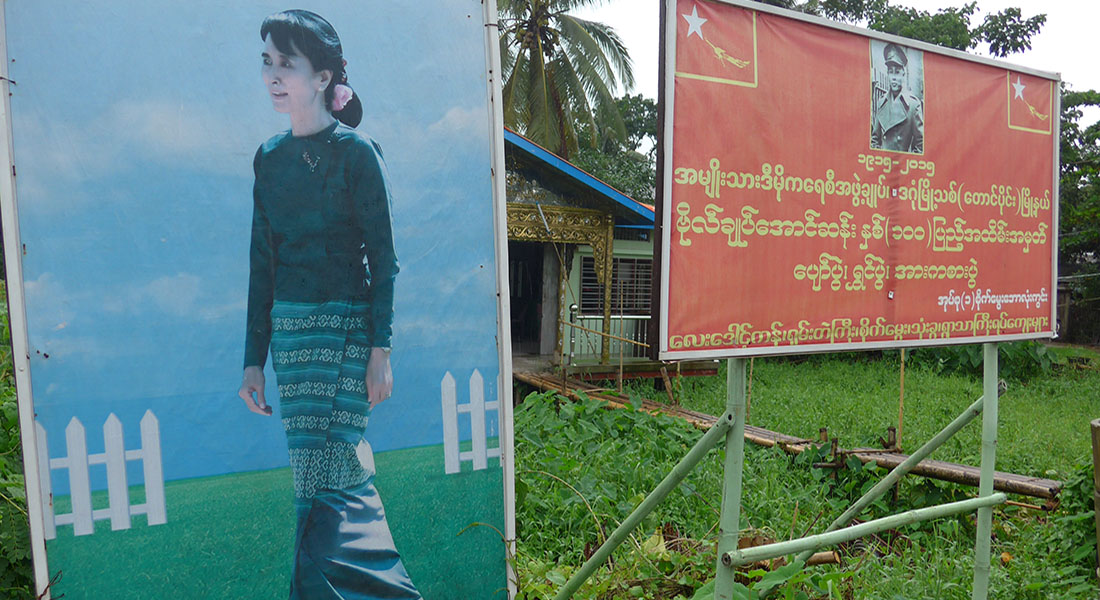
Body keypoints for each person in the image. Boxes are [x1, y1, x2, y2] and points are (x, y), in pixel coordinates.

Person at [237, 9, 420, 599]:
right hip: (292, 341)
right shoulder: (268, 158)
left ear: (323, 77)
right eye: (267, 61)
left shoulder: (358, 154)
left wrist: (380, 350)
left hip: (346, 334)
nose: (272, 75)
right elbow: (262, 264)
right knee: (307, 481)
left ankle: (385, 591)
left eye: (285, 64)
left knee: (338, 472)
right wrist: (252, 360)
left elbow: (384, 259)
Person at [871, 42, 924, 153]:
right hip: (882, 166)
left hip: (902, 166)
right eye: (891, 72)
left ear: (903, 74)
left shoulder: (913, 105)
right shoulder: (881, 102)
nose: (894, 77)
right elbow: (875, 140)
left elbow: (920, 144)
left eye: (897, 72)